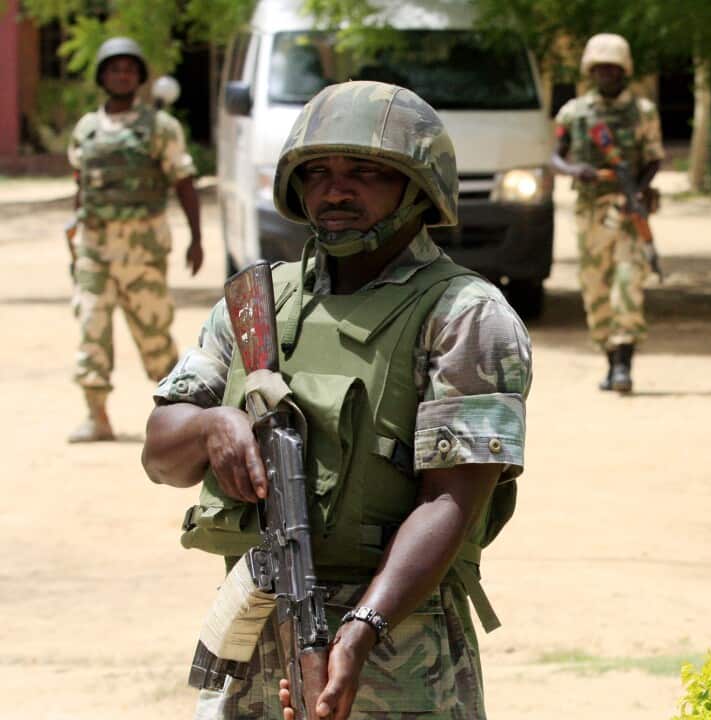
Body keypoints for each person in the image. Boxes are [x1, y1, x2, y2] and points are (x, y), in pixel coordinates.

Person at [141, 81, 532, 720]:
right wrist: (213, 425)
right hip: (255, 627)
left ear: (418, 185)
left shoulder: (465, 314)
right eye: (317, 172)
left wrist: (357, 632)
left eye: (366, 172)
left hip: (399, 642)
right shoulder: (257, 304)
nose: (336, 189)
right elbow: (161, 452)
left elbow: (452, 498)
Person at [66, 36, 203, 443]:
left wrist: (197, 237)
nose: (121, 75)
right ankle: (97, 417)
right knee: (92, 330)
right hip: (94, 248)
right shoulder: (87, 129)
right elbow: (82, 186)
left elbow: (184, 182)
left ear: (139, 77)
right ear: (103, 76)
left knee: (154, 334)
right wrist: (74, 237)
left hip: (142, 250)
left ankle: (176, 415)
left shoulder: (161, 128)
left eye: (129, 68)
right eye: (114, 68)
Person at [551, 33, 664, 393]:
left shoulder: (642, 112)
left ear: (624, 71)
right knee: (595, 288)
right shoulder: (573, 111)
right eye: (599, 69)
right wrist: (574, 171)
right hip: (589, 211)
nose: (606, 75)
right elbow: (554, 155)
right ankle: (610, 358)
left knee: (629, 282)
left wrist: (638, 189)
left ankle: (624, 365)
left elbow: (654, 157)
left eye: (612, 69)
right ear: (590, 71)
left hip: (628, 211)